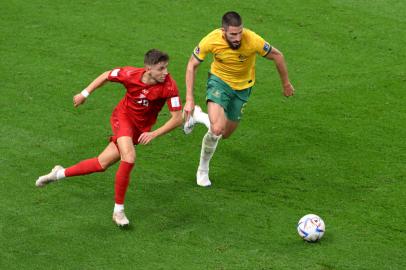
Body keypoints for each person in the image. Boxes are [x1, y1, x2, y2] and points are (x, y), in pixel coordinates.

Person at [36, 49, 183, 226]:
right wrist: (84, 93)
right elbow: (107, 75)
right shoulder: (129, 74)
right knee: (129, 157)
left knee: (101, 163)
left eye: (166, 67)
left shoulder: (169, 86)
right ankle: (118, 212)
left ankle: (57, 174)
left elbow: (177, 118)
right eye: (161, 68)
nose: (165, 72)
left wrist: (153, 133)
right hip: (123, 118)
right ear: (148, 68)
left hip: (140, 129)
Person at [183, 11, 295, 187]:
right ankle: (203, 170)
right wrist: (189, 98)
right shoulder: (211, 40)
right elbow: (192, 64)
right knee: (217, 129)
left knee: (225, 134)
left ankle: (197, 116)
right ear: (223, 31)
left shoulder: (252, 40)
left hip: (243, 88)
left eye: (240, 32)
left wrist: (286, 84)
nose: (237, 38)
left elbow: (277, 56)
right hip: (219, 83)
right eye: (233, 34)